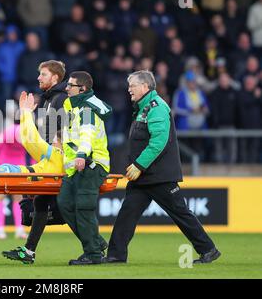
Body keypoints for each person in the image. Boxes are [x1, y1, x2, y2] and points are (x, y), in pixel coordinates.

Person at [104, 70, 221, 264]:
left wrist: (139, 165)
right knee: (127, 213)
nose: (129, 89)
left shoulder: (156, 107)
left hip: (159, 175)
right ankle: (116, 255)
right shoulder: (144, 107)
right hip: (145, 176)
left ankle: (208, 249)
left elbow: (158, 142)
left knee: (180, 213)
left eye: (132, 85)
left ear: (145, 87)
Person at [1, 60, 70, 263]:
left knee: (66, 207)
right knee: (42, 202)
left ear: (55, 77)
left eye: (43, 74)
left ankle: (94, 245)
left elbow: (64, 131)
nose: (38, 77)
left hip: (62, 162)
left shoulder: (60, 100)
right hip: (53, 160)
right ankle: (29, 251)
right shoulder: (50, 100)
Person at [57, 71, 112, 265]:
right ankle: (95, 243)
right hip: (76, 167)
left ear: (83, 88)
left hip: (91, 164)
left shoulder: (87, 110)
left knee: (84, 208)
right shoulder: (74, 108)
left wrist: (81, 155)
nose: (66, 88)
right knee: (64, 203)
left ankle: (93, 254)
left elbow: (87, 135)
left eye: (70, 85)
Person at [0, 101, 28, 240]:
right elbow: (36, 153)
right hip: (18, 168)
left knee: (1, 198)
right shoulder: (26, 132)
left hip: (4, 168)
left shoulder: (9, 131)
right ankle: (19, 229)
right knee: (17, 199)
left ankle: (1, 230)